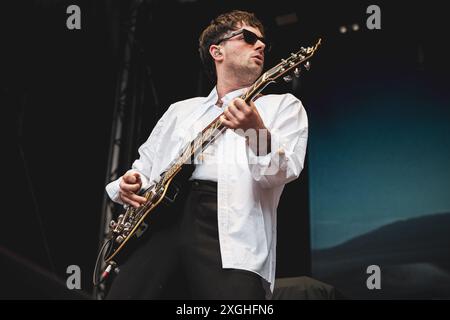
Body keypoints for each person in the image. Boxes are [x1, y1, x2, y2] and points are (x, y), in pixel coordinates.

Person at [104, 10, 308, 300]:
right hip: (161, 221)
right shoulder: (181, 110)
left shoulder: (282, 106)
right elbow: (144, 167)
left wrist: (255, 130)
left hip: (229, 230)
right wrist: (131, 181)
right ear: (217, 51)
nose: (260, 45)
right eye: (249, 38)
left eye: (263, 42)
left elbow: (282, 172)